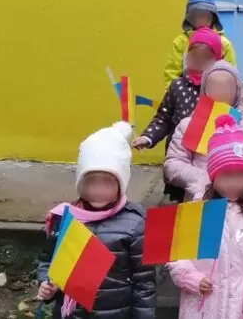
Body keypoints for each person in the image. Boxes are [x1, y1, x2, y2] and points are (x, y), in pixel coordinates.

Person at [36, 122, 155, 318]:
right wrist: (47, 284)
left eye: (107, 182)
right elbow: (48, 260)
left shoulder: (135, 224)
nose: (98, 190)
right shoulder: (66, 218)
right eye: (91, 181)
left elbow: (144, 284)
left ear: (121, 184)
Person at [168, 115, 243, 319]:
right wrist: (189, 277)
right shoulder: (197, 210)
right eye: (226, 176)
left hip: (238, 310)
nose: (234, 183)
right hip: (201, 308)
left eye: (240, 175)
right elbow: (178, 255)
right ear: (213, 176)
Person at [165, 61, 243, 199]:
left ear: (237, 91)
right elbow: (173, 165)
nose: (221, 91)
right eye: (214, 86)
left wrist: (239, 178)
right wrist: (209, 179)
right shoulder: (188, 125)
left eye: (227, 86)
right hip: (202, 200)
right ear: (204, 90)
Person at [133, 27, 222, 151]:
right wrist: (148, 137)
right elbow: (163, 118)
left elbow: (231, 119)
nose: (199, 61)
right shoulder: (177, 86)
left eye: (205, 57)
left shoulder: (220, 87)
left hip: (210, 153)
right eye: (194, 56)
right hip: (176, 152)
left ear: (217, 59)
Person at [163, 0, 236, 87]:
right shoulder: (180, 42)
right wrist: (172, 92)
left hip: (214, 91)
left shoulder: (223, 43)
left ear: (213, 18)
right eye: (197, 15)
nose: (201, 19)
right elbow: (172, 73)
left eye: (205, 15)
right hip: (185, 92)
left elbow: (230, 73)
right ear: (189, 18)